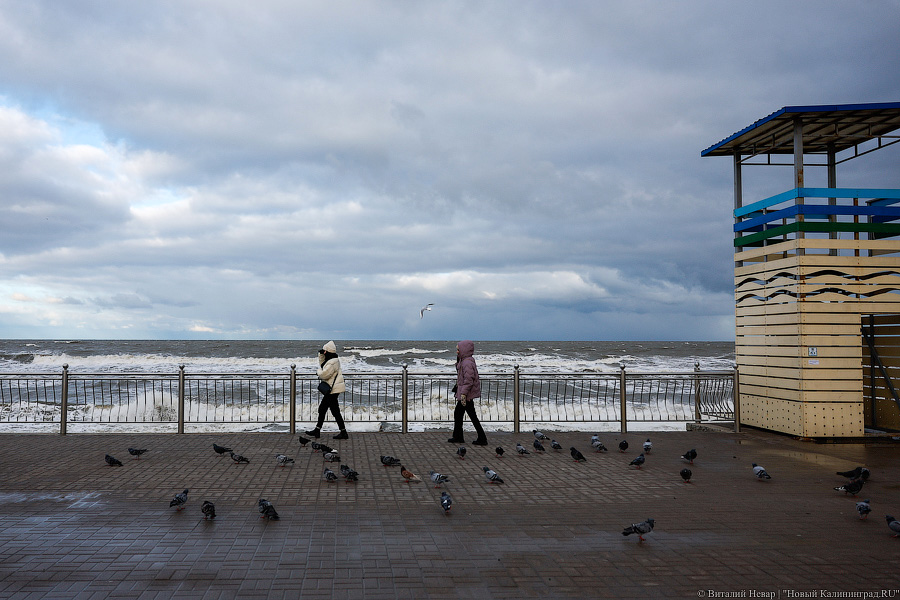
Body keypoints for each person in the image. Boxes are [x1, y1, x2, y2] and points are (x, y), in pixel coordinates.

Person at [448, 339, 488, 446]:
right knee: (459, 414)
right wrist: (458, 359)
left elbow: (469, 380)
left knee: (468, 415)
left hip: (466, 395)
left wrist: (463, 393)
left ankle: (481, 438)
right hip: (464, 394)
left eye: (458, 350)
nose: (457, 351)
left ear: (464, 350)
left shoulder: (467, 363)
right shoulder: (464, 361)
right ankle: (459, 436)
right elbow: (459, 370)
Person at [306, 341, 348, 440]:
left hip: (332, 390)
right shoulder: (331, 360)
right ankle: (319, 430)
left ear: (328, 351)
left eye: (324, 350)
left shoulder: (332, 362)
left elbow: (324, 374)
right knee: (328, 410)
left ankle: (342, 432)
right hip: (333, 389)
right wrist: (321, 355)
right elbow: (323, 365)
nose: (323, 352)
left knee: (328, 410)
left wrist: (317, 372)